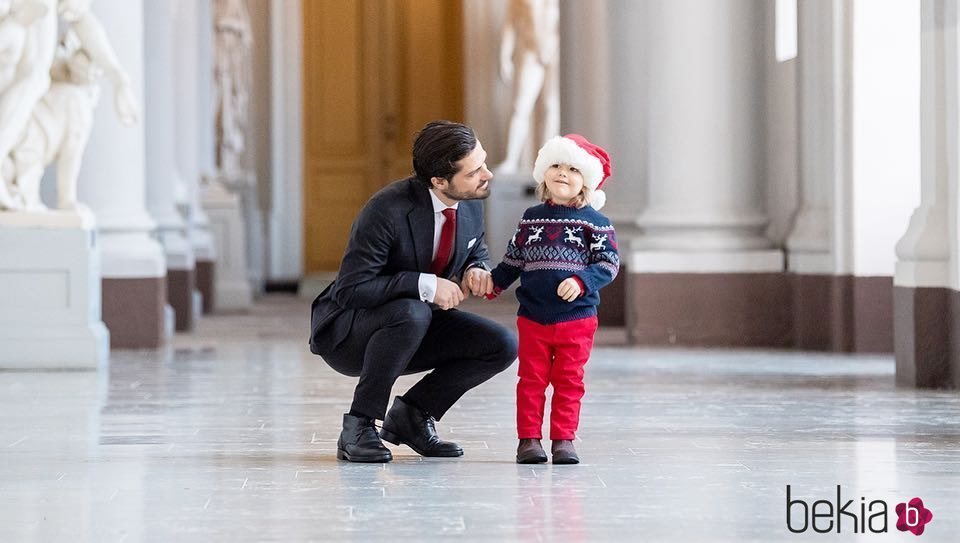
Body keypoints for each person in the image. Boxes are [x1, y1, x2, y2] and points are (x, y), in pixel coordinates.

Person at [309, 120, 518, 463]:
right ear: (438, 180)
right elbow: (350, 289)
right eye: (475, 170)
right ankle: (358, 426)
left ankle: (413, 415)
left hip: (414, 324)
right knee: (412, 310)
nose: (487, 174)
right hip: (350, 332)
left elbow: (473, 245)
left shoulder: (470, 201)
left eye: (483, 162)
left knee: (501, 345)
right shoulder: (387, 210)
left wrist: (475, 267)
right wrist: (426, 284)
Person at [486, 134, 620, 464]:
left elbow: (608, 263)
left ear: (586, 182)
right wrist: (494, 284)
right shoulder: (531, 217)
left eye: (573, 169)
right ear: (544, 172)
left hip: (577, 318)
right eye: (556, 165)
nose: (562, 172)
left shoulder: (596, 223)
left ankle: (563, 439)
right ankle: (528, 440)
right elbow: (514, 259)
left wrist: (582, 280)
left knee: (569, 381)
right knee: (530, 380)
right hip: (533, 317)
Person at [496, 0, 559, 174]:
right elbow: (510, 23)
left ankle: (547, 161)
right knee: (520, 107)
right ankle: (511, 159)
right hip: (529, 50)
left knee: (551, 107)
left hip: (556, 51)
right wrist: (504, 55)